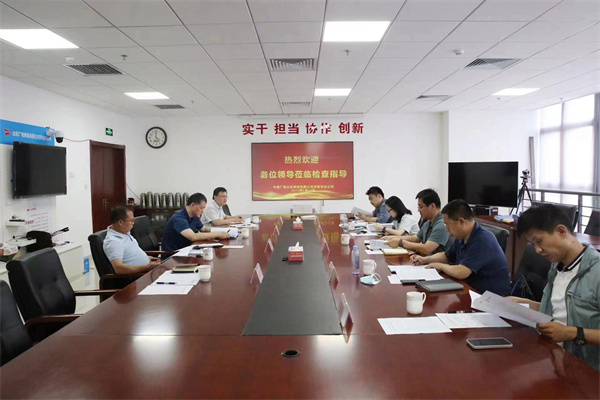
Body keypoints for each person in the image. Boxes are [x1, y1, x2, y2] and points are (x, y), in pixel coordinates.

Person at [508, 204, 599, 371]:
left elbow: (568, 325)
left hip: (586, 370)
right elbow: (561, 309)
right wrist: (522, 303)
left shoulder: (596, 272)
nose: (537, 250)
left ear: (561, 231)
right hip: (553, 359)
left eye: (539, 241)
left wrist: (572, 333)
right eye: (533, 244)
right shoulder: (556, 267)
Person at [411, 199, 511, 296]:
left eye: (447, 225)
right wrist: (425, 260)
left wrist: (440, 266)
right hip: (470, 289)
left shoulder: (483, 239)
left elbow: (462, 271)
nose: (447, 230)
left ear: (461, 222)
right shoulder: (462, 236)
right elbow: (447, 256)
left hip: (489, 297)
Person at [387, 189, 453, 255]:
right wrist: (394, 238)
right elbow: (415, 238)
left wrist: (401, 243)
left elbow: (427, 249)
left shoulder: (442, 224)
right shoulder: (428, 223)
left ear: (432, 206)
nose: (418, 210)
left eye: (421, 207)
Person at [103, 205, 161, 274]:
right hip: (137, 276)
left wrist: (147, 258)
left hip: (147, 270)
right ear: (120, 222)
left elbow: (130, 255)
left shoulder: (124, 233)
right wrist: (147, 267)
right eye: (131, 221)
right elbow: (119, 268)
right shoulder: (113, 242)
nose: (133, 223)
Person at [162, 193, 229, 252]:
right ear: (193, 205)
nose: (203, 211)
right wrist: (218, 234)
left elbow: (204, 229)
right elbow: (193, 236)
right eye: (201, 208)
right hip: (174, 255)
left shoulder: (194, 216)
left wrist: (223, 231)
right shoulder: (179, 218)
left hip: (188, 249)